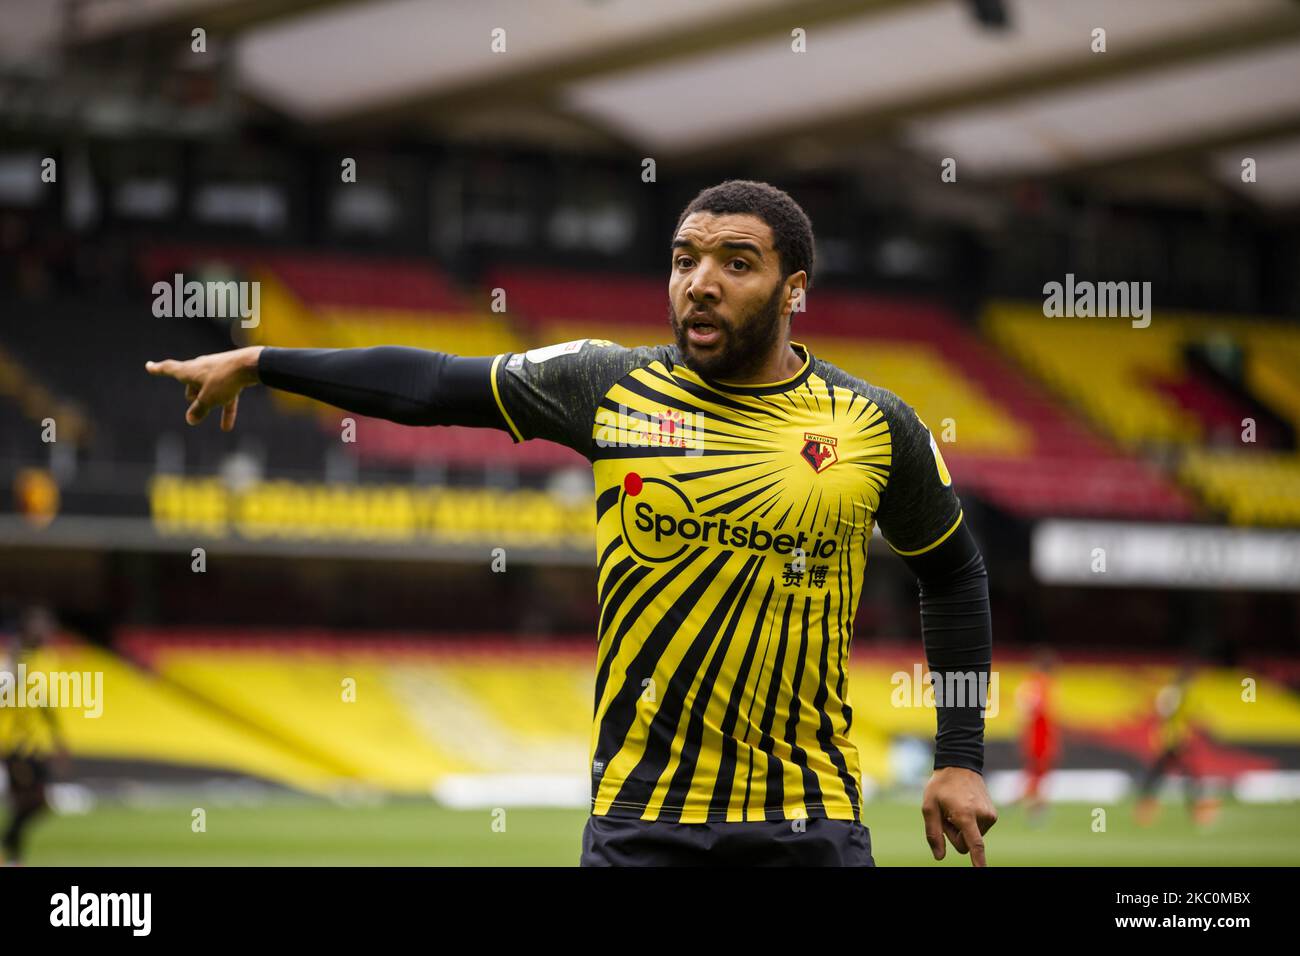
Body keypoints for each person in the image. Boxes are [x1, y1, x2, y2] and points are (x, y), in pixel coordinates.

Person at [146, 179, 997, 866]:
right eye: (684, 260)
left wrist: (960, 754)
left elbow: (953, 574)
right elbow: (432, 383)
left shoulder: (875, 424)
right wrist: (262, 361)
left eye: (736, 264)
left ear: (793, 289)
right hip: (640, 823)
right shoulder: (607, 385)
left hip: (809, 823)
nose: (700, 282)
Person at [1, 605, 69, 865]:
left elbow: (46, 704)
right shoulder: (14, 659)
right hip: (16, 744)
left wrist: (58, 739)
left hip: (37, 745)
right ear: (28, 629)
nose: (46, 631)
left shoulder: (47, 659)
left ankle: (12, 855)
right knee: (30, 802)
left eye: (48, 626)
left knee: (36, 804)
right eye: (40, 626)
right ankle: (11, 852)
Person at [1135, 663, 1217, 826]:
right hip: (1172, 740)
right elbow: (1165, 712)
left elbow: (1196, 715)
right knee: (1169, 775)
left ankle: (1197, 810)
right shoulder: (1172, 694)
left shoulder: (1185, 695)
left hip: (1178, 740)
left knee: (1175, 776)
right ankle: (1149, 809)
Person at [1016, 648, 1058, 823]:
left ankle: (1032, 807)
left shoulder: (1036, 683)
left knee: (1036, 774)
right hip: (1038, 738)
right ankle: (1033, 810)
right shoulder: (1038, 684)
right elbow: (1030, 710)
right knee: (1037, 774)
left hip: (1038, 736)